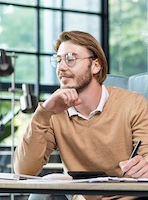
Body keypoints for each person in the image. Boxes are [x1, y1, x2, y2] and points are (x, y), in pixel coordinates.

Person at [14, 31, 148, 200]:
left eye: (70, 58)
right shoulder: (54, 113)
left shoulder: (134, 103)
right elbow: (24, 170)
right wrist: (43, 114)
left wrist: (145, 165)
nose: (61, 67)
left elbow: (146, 156)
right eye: (58, 60)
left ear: (96, 65)